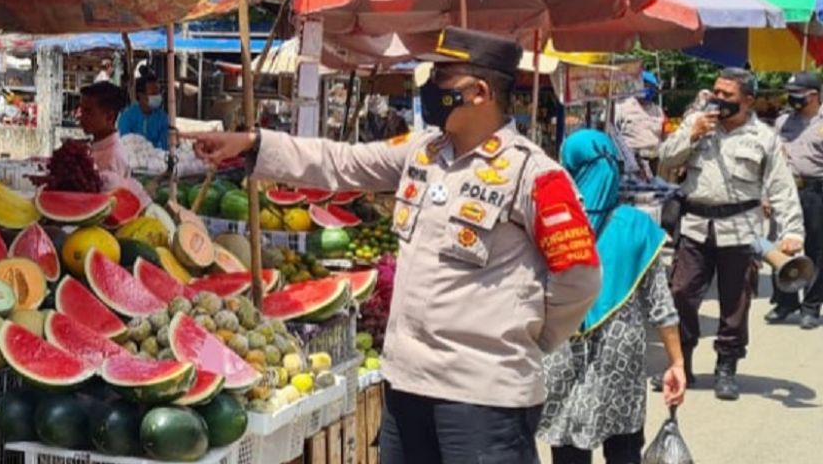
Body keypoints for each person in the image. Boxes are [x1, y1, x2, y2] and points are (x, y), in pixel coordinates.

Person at [189, 28, 602, 464]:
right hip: (406, 385)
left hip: (484, 395)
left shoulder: (534, 175)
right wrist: (255, 144)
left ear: (479, 92)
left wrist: (528, 336)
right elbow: (340, 162)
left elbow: (580, 278)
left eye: (442, 78)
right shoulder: (421, 153)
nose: (428, 86)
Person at [657, 67, 805, 401]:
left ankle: (726, 367)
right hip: (695, 228)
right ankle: (683, 363)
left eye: (728, 95)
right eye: (716, 92)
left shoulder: (764, 138)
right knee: (681, 294)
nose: (718, 100)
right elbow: (665, 158)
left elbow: (782, 189)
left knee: (735, 302)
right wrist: (691, 134)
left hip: (741, 231)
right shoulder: (698, 122)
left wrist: (793, 231)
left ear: (748, 101)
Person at [539, 129, 686, 464]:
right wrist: (676, 362)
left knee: (567, 446)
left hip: (562, 346)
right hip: (620, 355)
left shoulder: (554, 224)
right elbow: (661, 306)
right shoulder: (637, 226)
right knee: (623, 446)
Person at [768, 71, 823, 329]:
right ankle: (785, 300)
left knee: (816, 250)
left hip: (816, 192)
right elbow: (772, 160)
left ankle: (811, 306)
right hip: (785, 190)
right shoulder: (782, 122)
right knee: (783, 247)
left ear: (814, 96)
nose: (792, 100)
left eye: (798, 95)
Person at [613, 72, 665, 174]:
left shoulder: (658, 111)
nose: (648, 88)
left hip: (654, 162)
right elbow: (611, 131)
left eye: (651, 86)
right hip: (632, 162)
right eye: (645, 84)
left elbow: (665, 135)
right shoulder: (622, 107)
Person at [80, 81, 131, 180]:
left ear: (109, 117)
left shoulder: (112, 158)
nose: (82, 117)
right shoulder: (96, 148)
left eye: (88, 111)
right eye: (82, 111)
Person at [118, 72, 170, 150]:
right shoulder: (127, 117)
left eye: (158, 93)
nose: (157, 96)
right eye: (153, 93)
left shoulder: (162, 117)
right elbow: (125, 143)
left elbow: (165, 145)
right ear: (141, 95)